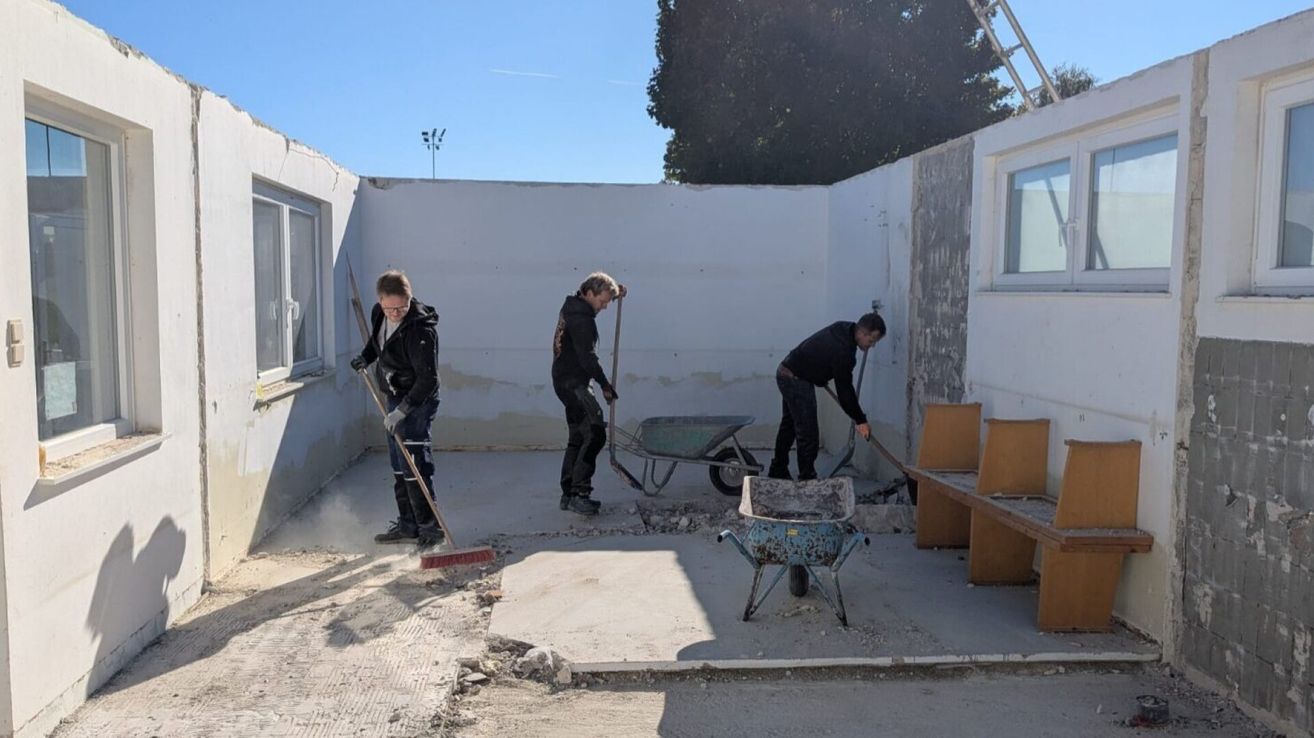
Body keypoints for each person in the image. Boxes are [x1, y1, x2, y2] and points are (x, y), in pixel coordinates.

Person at [350, 270, 443, 548]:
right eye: (390, 308)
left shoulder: (421, 330)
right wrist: (364, 358)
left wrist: (402, 411)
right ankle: (408, 525)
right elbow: (377, 344)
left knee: (415, 463)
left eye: (402, 307)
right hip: (393, 393)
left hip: (418, 400)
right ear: (380, 302)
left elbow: (429, 380)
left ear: (410, 298)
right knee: (398, 464)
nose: (396, 313)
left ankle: (430, 529)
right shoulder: (379, 314)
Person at [768, 312, 886, 481]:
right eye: (872, 341)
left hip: (786, 371)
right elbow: (845, 390)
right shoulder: (845, 351)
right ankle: (807, 481)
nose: (871, 346)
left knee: (790, 426)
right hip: (796, 380)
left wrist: (820, 375)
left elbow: (819, 352)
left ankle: (778, 470)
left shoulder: (843, 328)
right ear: (863, 333)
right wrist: (860, 419)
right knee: (808, 434)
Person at [552, 272, 625, 515]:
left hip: (565, 380)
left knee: (578, 436)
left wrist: (616, 292)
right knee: (594, 434)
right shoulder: (582, 320)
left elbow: (582, 358)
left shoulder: (572, 307)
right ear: (589, 293)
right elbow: (588, 359)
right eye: (603, 301)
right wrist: (605, 384)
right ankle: (579, 493)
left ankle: (568, 494)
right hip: (574, 383)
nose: (604, 307)